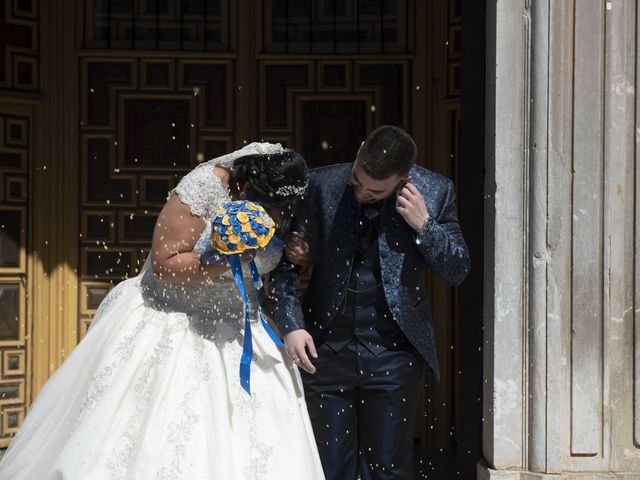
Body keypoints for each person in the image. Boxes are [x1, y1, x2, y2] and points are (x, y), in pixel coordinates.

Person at [0, 143, 325, 479]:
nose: (272, 215)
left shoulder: (288, 200)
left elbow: (276, 259)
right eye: (263, 205)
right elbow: (165, 265)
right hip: (175, 317)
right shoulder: (205, 188)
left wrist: (297, 255)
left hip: (242, 325)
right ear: (246, 187)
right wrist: (224, 260)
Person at [268, 125, 470, 479]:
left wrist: (425, 226)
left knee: (388, 469)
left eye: (375, 190)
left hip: (394, 352)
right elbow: (284, 268)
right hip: (325, 349)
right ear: (360, 152)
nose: (361, 192)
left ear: (403, 179)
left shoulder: (436, 192)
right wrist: (292, 326)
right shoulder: (320, 185)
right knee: (328, 468)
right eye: (358, 180)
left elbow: (458, 269)